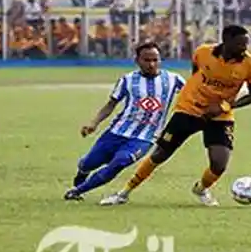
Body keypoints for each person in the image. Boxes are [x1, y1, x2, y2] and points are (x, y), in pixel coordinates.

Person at [100, 25, 251, 206]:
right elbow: (196, 76)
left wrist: (225, 105)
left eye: (246, 44)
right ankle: (124, 193)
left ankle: (201, 189)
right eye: (240, 44)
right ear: (226, 40)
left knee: (219, 164)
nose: (244, 48)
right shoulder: (202, 53)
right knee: (160, 154)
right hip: (188, 110)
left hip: (220, 115)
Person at [65, 43, 186, 200]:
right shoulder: (127, 80)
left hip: (146, 137)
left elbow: (192, 94)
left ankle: (77, 191)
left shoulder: (173, 79)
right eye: (146, 60)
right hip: (117, 132)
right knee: (88, 163)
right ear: (137, 60)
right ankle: (82, 173)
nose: (151, 64)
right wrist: (93, 123)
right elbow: (111, 105)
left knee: (119, 163)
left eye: (155, 60)